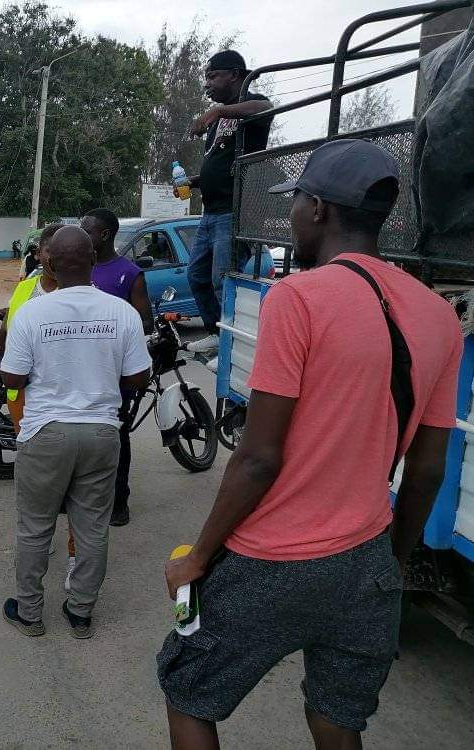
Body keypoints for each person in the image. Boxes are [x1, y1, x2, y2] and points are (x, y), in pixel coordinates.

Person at [158, 140, 463, 749]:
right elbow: (427, 467)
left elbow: (259, 456)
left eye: (294, 202)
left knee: (189, 692)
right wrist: (391, 563)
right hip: (367, 558)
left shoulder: (298, 298)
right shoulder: (439, 316)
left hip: (272, 559)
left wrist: (197, 558)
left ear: (318, 209)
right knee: (337, 713)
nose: (291, 215)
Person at [0, 226, 151, 639]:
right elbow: (139, 376)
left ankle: (29, 613)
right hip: (102, 433)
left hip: (45, 431)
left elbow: (12, 375)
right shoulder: (121, 312)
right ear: (93, 261)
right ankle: (80, 612)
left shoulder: (33, 311)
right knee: (92, 527)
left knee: (34, 527)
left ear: (47, 263)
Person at [0, 223, 83, 586]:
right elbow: (6, 350)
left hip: (68, 404)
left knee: (75, 485)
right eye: (46, 249)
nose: (51, 256)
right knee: (39, 482)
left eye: (58, 250)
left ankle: (75, 555)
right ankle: (44, 539)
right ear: (39, 254)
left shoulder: (84, 295)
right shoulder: (24, 290)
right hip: (24, 403)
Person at [178, 50, 273, 353]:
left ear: (233, 74)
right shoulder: (220, 119)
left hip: (234, 212)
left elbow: (267, 106)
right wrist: (194, 181)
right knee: (196, 276)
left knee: (223, 280)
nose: (207, 84)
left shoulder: (248, 104)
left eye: (212, 76)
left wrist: (216, 113)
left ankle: (233, 343)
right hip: (211, 213)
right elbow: (219, 160)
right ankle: (217, 333)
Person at [80, 208, 153, 527]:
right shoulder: (79, 270)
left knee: (116, 437)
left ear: (105, 235)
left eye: (88, 230)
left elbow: (145, 323)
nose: (83, 236)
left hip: (115, 375)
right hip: (79, 370)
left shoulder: (130, 274)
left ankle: (119, 501)